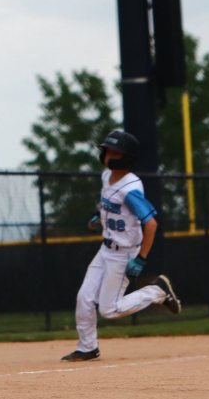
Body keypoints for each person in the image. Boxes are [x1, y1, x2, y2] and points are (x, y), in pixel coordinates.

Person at [61, 130, 182, 362]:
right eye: (106, 150)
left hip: (124, 254)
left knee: (109, 309)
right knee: (84, 297)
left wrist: (142, 258)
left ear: (126, 157)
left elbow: (151, 224)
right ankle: (87, 347)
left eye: (114, 152)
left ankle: (157, 291)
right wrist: (100, 216)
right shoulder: (107, 176)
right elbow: (109, 204)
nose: (108, 155)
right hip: (106, 248)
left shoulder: (130, 189)